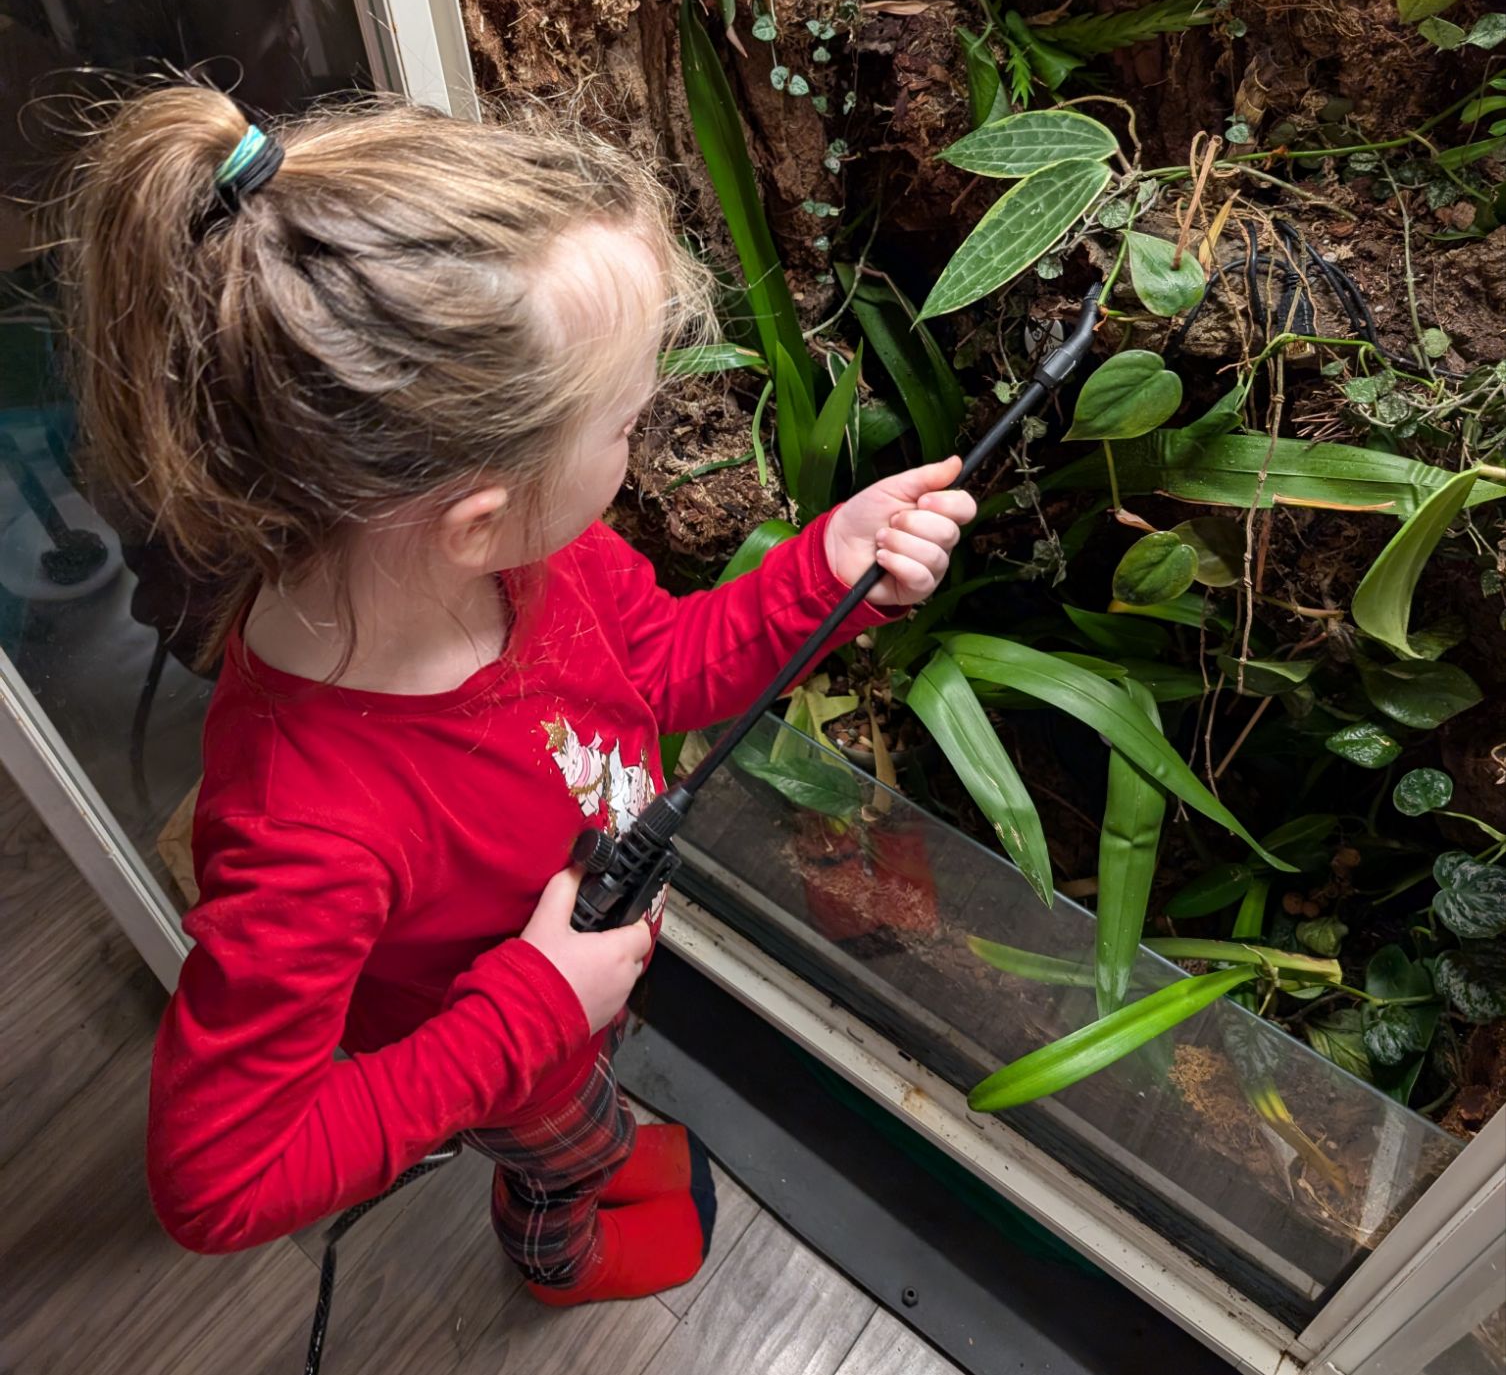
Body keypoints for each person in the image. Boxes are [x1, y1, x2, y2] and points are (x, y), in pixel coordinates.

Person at [62, 86, 975, 1304]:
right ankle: (562, 1250)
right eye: (627, 424)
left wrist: (825, 571)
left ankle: (595, 1141)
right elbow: (219, 1179)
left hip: (569, 990)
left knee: (590, 1107)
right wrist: (530, 1013)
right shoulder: (304, 825)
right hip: (517, 1050)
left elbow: (663, 667)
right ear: (476, 515)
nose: (634, 450)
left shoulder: (535, 561)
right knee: (563, 1151)